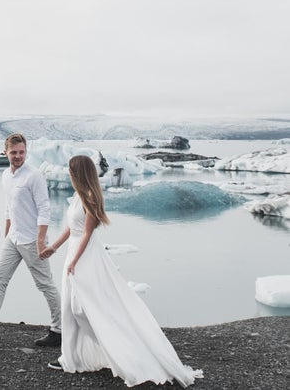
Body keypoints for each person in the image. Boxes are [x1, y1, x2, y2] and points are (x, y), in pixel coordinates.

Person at [42, 155, 202, 387]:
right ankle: (73, 357)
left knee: (83, 307)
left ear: (78, 172)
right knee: (70, 307)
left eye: (70, 169)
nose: (67, 172)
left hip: (86, 256)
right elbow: (71, 227)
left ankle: (117, 349)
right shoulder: (77, 196)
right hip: (73, 254)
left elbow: (87, 233)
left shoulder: (90, 196)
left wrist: (75, 260)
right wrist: (54, 247)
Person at [0, 133, 61, 346]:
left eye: (21, 152)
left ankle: (58, 330)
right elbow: (9, 207)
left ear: (26, 152)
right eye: (14, 152)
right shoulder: (6, 175)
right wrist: (6, 235)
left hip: (32, 240)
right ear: (5, 152)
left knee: (45, 285)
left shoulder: (34, 176)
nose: (18, 156)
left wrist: (40, 240)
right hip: (13, 238)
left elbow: (44, 209)